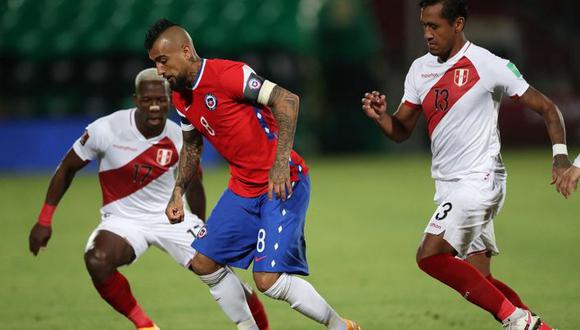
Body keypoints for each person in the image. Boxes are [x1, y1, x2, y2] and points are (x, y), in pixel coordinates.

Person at [361, 1, 570, 329]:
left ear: (458, 24)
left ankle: (517, 320)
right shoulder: (420, 69)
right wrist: (381, 118)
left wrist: (560, 158)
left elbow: (547, 108)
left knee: (428, 256)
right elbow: (401, 130)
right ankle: (536, 327)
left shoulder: (488, 64)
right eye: (423, 27)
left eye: (435, 27)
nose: (427, 34)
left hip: (479, 179)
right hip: (448, 186)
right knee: (480, 278)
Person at [144, 19, 360, 330]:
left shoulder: (230, 74)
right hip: (243, 188)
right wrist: (177, 191)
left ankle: (341, 327)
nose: (160, 71)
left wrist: (281, 162)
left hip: (283, 182)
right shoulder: (181, 96)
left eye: (163, 61)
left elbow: (288, 101)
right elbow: (192, 145)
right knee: (203, 263)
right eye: (155, 64)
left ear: (186, 51)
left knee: (267, 279)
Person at [28, 68, 269, 330]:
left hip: (171, 218)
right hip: (123, 218)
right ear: (136, 99)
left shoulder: (180, 136)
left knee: (218, 271)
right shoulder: (105, 129)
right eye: (147, 100)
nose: (154, 107)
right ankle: (145, 326)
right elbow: (66, 168)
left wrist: (202, 228)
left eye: (161, 100)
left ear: (169, 98)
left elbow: (195, 185)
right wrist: (44, 220)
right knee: (97, 260)